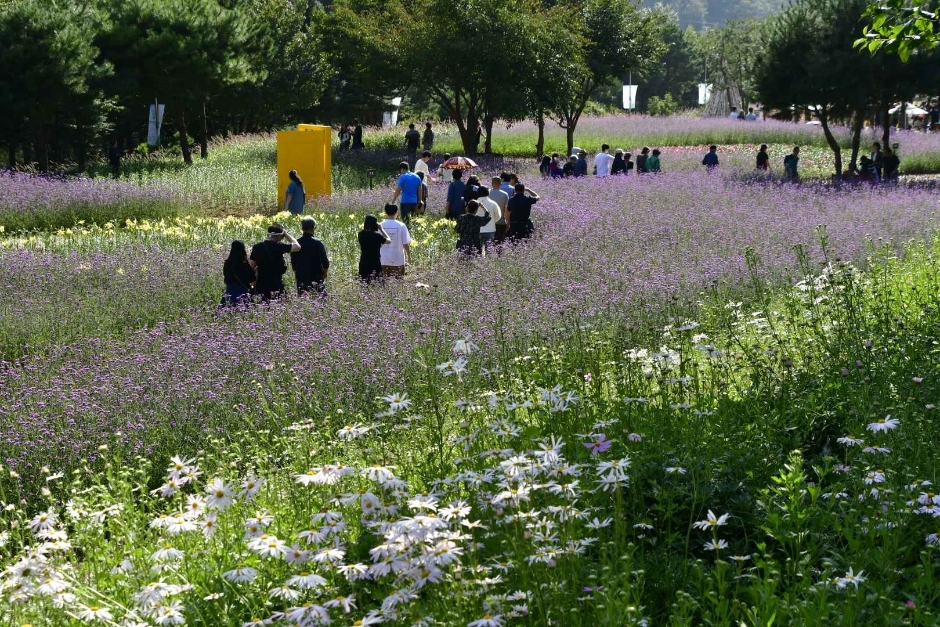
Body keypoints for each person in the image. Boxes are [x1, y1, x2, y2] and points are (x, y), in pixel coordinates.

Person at [250, 224, 300, 302]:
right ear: (279, 236)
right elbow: (297, 247)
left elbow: (252, 266)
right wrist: (286, 234)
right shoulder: (279, 246)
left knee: (264, 306)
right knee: (280, 305)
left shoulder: (257, 246)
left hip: (261, 283)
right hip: (276, 283)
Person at [291, 217, 330, 296]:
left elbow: (294, 264)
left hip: (301, 277)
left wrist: (298, 275)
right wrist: (325, 273)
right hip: (316, 277)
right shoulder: (317, 243)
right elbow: (325, 262)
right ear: (314, 227)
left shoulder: (296, 243)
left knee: (304, 303)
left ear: (302, 228)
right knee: (320, 301)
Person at [219, 240, 255, 308]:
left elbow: (226, 276)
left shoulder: (227, 263)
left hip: (229, 291)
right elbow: (251, 278)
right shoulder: (243, 263)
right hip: (242, 291)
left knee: (227, 310)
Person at [380, 204, 412, 278]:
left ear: (385, 212)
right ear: (397, 212)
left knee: (384, 284)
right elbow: (405, 243)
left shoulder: (380, 225)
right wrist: (409, 256)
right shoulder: (401, 225)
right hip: (398, 260)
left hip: (383, 259)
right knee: (398, 284)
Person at [358, 215, 390, 283]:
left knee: (364, 284)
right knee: (377, 283)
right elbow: (389, 240)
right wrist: (381, 229)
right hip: (375, 262)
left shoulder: (360, 234)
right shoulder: (377, 236)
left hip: (363, 262)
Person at [476, 187, 501, 254]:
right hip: (490, 229)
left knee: (477, 251)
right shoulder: (493, 203)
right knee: (489, 251)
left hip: (477, 230)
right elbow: (498, 216)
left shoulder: (474, 203)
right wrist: (493, 221)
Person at [489, 176, 510, 243]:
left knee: (489, 243)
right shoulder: (505, 194)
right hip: (501, 221)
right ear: (500, 184)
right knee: (500, 243)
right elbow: (506, 209)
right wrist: (508, 222)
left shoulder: (487, 193)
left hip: (489, 222)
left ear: (492, 183)